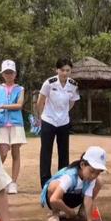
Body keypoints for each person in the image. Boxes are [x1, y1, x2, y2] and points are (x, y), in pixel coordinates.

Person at [36, 57, 80, 187]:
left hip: (63, 122)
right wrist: (39, 117)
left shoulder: (73, 85)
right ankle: (45, 183)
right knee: (46, 152)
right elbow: (40, 101)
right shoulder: (49, 83)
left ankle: (63, 180)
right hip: (48, 120)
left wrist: (65, 112)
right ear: (57, 70)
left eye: (68, 70)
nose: (65, 73)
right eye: (62, 70)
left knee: (63, 152)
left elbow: (72, 101)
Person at [0, 60, 26, 194]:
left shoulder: (20, 89)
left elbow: (19, 105)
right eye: (6, 72)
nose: (8, 75)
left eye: (11, 72)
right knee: (2, 153)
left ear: (15, 74)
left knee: (16, 152)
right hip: (1, 123)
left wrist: (2, 106)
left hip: (16, 123)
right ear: (2, 74)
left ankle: (13, 183)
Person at [40, 146, 106, 221]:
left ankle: (82, 211)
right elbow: (54, 199)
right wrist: (69, 211)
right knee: (53, 186)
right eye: (92, 171)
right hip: (57, 198)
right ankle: (55, 214)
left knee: (99, 180)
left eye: (97, 173)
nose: (94, 176)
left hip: (74, 197)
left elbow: (88, 198)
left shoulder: (91, 178)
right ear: (82, 165)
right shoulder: (70, 176)